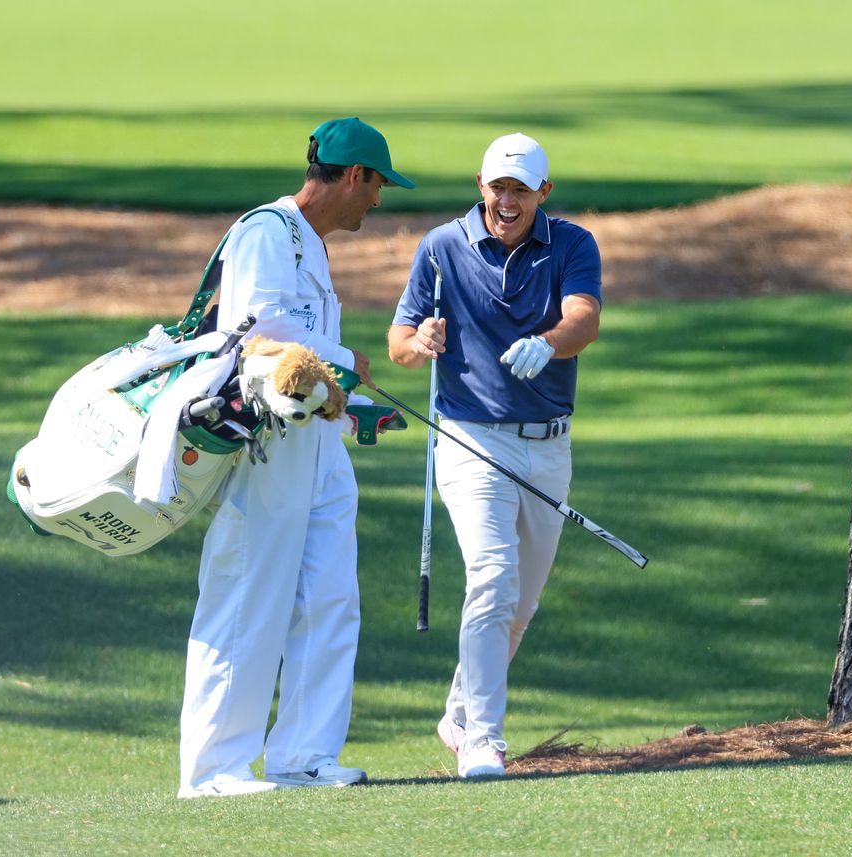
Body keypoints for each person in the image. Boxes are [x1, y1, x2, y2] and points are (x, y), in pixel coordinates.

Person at [177, 117, 414, 798]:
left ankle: (305, 754)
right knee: (249, 591)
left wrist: (348, 394)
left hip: (317, 443)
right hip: (265, 442)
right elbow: (254, 333)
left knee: (330, 597)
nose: (378, 201)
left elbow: (303, 352)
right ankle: (215, 768)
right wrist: (347, 361)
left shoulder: (308, 242)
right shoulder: (267, 232)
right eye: (377, 186)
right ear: (354, 176)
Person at [387, 133, 601, 778]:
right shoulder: (442, 247)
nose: (506, 201)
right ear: (480, 185)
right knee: (492, 580)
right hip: (469, 438)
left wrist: (551, 343)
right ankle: (481, 738)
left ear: (544, 191)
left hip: (548, 443)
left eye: (520, 190)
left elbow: (584, 318)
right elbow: (398, 342)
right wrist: (419, 340)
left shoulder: (571, 244)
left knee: (520, 604)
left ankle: (458, 713)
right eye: (496, 187)